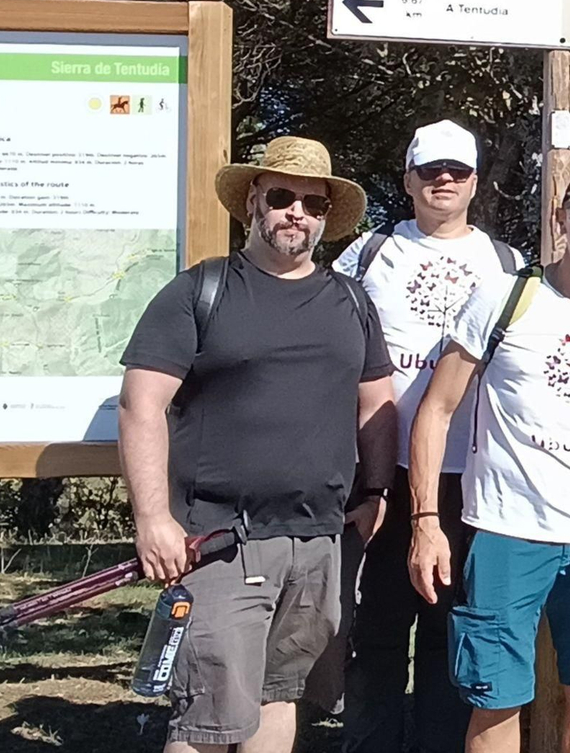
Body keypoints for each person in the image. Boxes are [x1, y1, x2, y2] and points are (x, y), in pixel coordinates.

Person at [118, 136, 398, 753]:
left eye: (312, 203)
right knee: (206, 720)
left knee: (280, 697)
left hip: (319, 541)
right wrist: (152, 520)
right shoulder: (199, 292)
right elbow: (141, 405)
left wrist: (375, 490)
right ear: (253, 202)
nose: (296, 212)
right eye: (282, 196)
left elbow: (376, 401)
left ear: (326, 217)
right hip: (220, 542)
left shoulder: (351, 301)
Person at [408, 161, 570, 753]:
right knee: (495, 698)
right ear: (560, 218)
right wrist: (425, 522)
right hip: (504, 532)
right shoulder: (505, 296)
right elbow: (436, 410)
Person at [327, 120, 524, 753]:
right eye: (431, 170)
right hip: (385, 471)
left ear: (475, 183)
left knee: (451, 629)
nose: (444, 180)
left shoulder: (507, 264)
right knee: (378, 627)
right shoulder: (367, 254)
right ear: (407, 179)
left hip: (472, 475)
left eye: (458, 171)